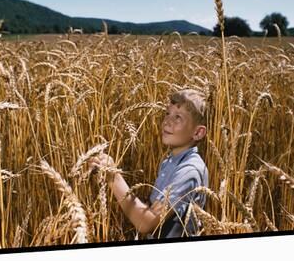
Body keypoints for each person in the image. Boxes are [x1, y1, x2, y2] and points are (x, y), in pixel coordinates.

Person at [88, 89, 209, 239]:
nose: (167, 121)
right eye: (167, 113)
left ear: (198, 133)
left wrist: (114, 178)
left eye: (178, 117)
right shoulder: (170, 161)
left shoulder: (189, 171)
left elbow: (146, 223)